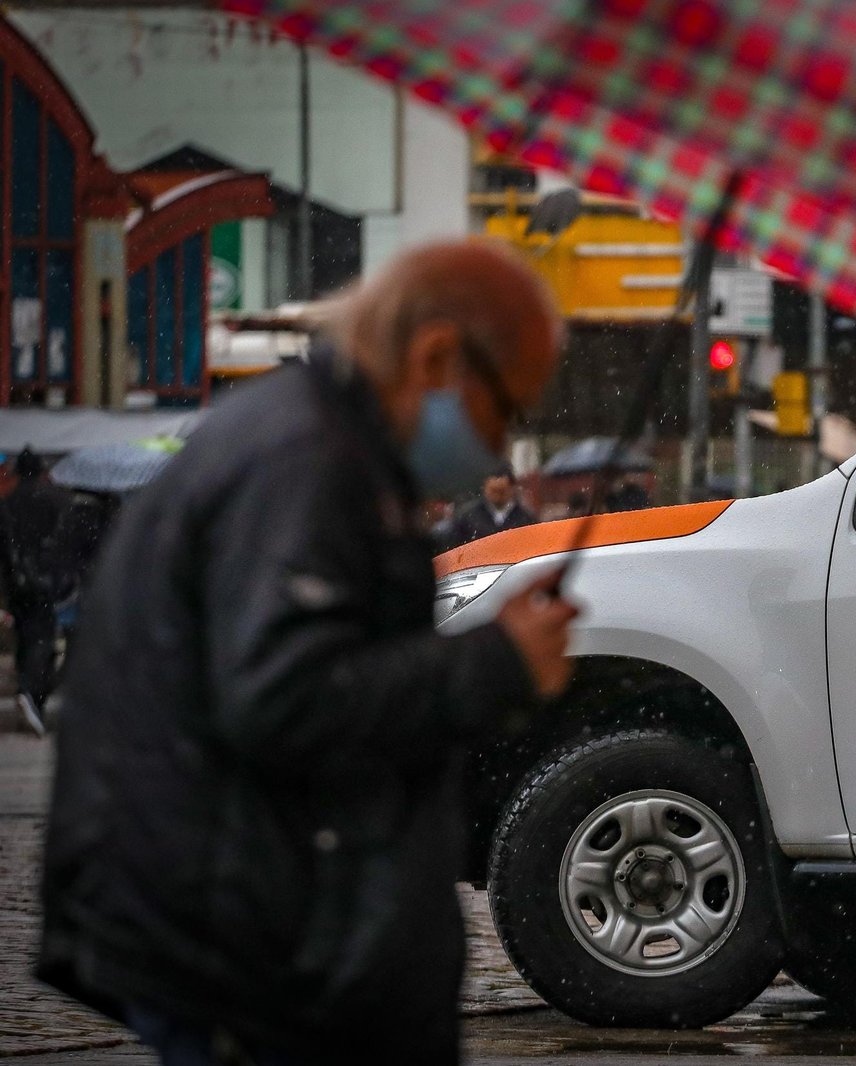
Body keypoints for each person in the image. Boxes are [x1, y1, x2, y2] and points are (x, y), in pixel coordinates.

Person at [37, 240, 578, 1065]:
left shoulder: (320, 445)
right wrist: (493, 664)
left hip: (257, 928)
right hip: (252, 950)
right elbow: (284, 697)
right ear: (436, 357)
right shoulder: (308, 462)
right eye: (509, 408)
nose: (502, 441)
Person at [0, 447, 70, 737]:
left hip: (17, 584)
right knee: (42, 638)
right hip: (45, 583)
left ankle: (29, 693)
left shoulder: (7, 503)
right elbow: (65, 541)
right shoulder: (56, 501)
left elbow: (3, 550)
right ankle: (31, 693)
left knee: (27, 638)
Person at [443, 465, 535, 549]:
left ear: (512, 489)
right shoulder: (467, 517)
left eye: (501, 491)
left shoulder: (526, 519)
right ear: (485, 488)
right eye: (493, 491)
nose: (497, 496)